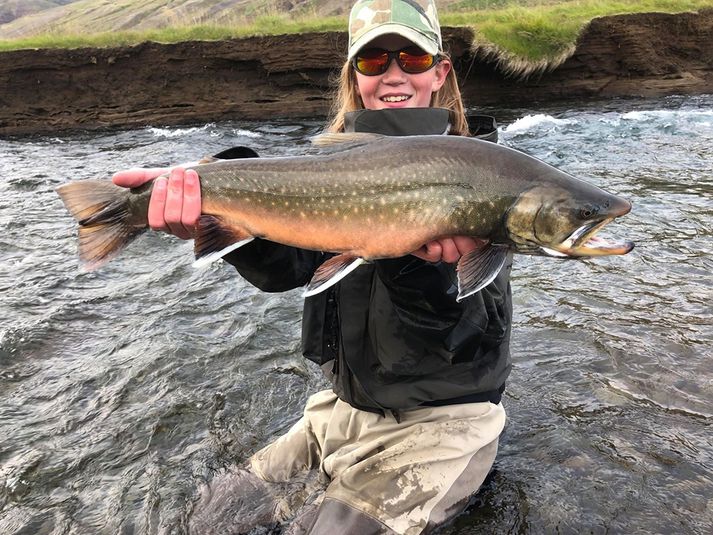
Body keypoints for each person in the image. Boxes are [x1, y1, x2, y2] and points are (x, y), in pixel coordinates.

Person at [113, 1, 511, 533]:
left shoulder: (484, 175)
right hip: (337, 413)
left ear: (440, 72)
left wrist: (414, 257)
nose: (393, 74)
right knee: (204, 521)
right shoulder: (335, 169)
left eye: (411, 59)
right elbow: (288, 266)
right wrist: (214, 212)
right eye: (373, 62)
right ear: (354, 77)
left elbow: (470, 338)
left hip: (441, 428)